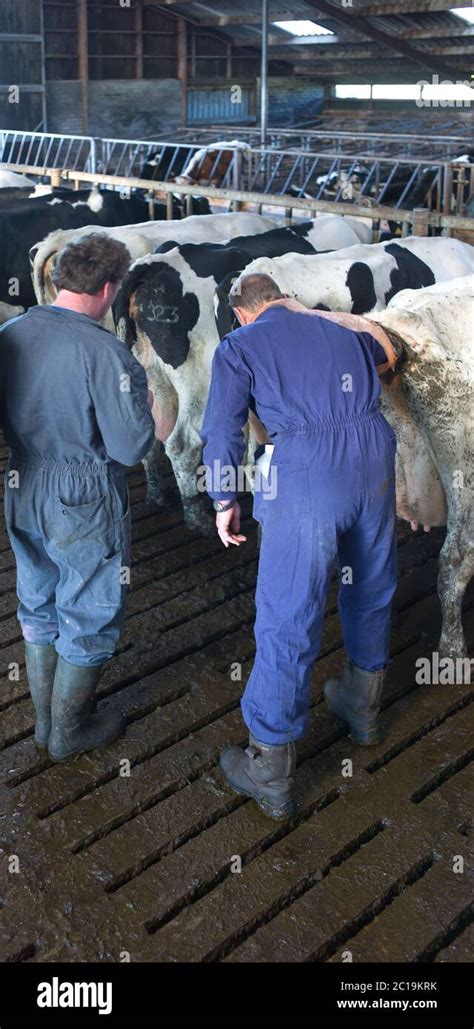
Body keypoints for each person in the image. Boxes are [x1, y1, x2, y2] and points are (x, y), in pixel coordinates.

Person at [201, 273, 398, 820]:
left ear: (244, 313)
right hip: (375, 450)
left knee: (288, 609)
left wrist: (223, 497)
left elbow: (223, 428)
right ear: (285, 298)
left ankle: (268, 766)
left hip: (308, 470)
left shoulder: (240, 345)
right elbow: (388, 349)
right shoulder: (337, 328)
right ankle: (363, 708)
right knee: (372, 581)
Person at [0, 233, 155, 762]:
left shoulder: (12, 331)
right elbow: (130, 448)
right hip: (83, 491)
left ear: (59, 277)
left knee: (38, 595)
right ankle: (70, 733)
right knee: (89, 606)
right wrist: (145, 402)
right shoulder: (105, 352)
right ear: (108, 288)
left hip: (23, 480)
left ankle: (46, 725)